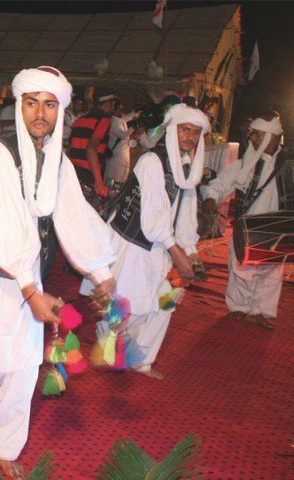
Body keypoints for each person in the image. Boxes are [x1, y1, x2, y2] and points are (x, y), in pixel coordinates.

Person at [0, 66, 116, 479]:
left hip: (25, 273)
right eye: (31, 103)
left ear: (60, 111)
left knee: (21, 364)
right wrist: (31, 291)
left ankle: (2, 444)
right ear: (18, 106)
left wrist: (101, 270)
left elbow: (74, 215)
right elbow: (4, 226)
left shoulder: (57, 160)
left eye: (50, 105)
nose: (40, 113)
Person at [82, 104, 210, 380]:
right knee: (125, 305)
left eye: (195, 133)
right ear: (172, 130)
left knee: (164, 303)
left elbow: (185, 214)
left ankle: (141, 360)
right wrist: (179, 256)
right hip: (132, 244)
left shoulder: (186, 167)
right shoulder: (152, 161)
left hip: (158, 247)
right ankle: (109, 349)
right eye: (185, 129)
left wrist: (191, 251)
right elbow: (153, 220)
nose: (189, 137)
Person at [202, 113, 293, 329]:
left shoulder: (290, 163)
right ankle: (239, 307)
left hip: (278, 226)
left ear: (272, 136)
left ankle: (260, 310)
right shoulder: (247, 163)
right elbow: (220, 183)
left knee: (271, 272)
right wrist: (211, 198)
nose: (253, 139)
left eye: (258, 135)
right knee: (242, 268)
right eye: (253, 134)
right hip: (247, 225)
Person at [68, 86, 115, 197]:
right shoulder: (104, 120)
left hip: (72, 172)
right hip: (88, 174)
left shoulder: (79, 120)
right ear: (107, 104)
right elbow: (91, 148)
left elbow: (71, 147)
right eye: (112, 104)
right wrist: (98, 181)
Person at [104, 101, 136, 184]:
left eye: (122, 109)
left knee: (122, 180)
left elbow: (127, 118)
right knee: (113, 180)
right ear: (114, 111)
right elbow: (123, 135)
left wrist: (135, 112)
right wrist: (134, 126)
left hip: (123, 156)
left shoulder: (120, 120)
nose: (122, 111)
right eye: (120, 109)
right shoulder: (114, 122)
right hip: (116, 157)